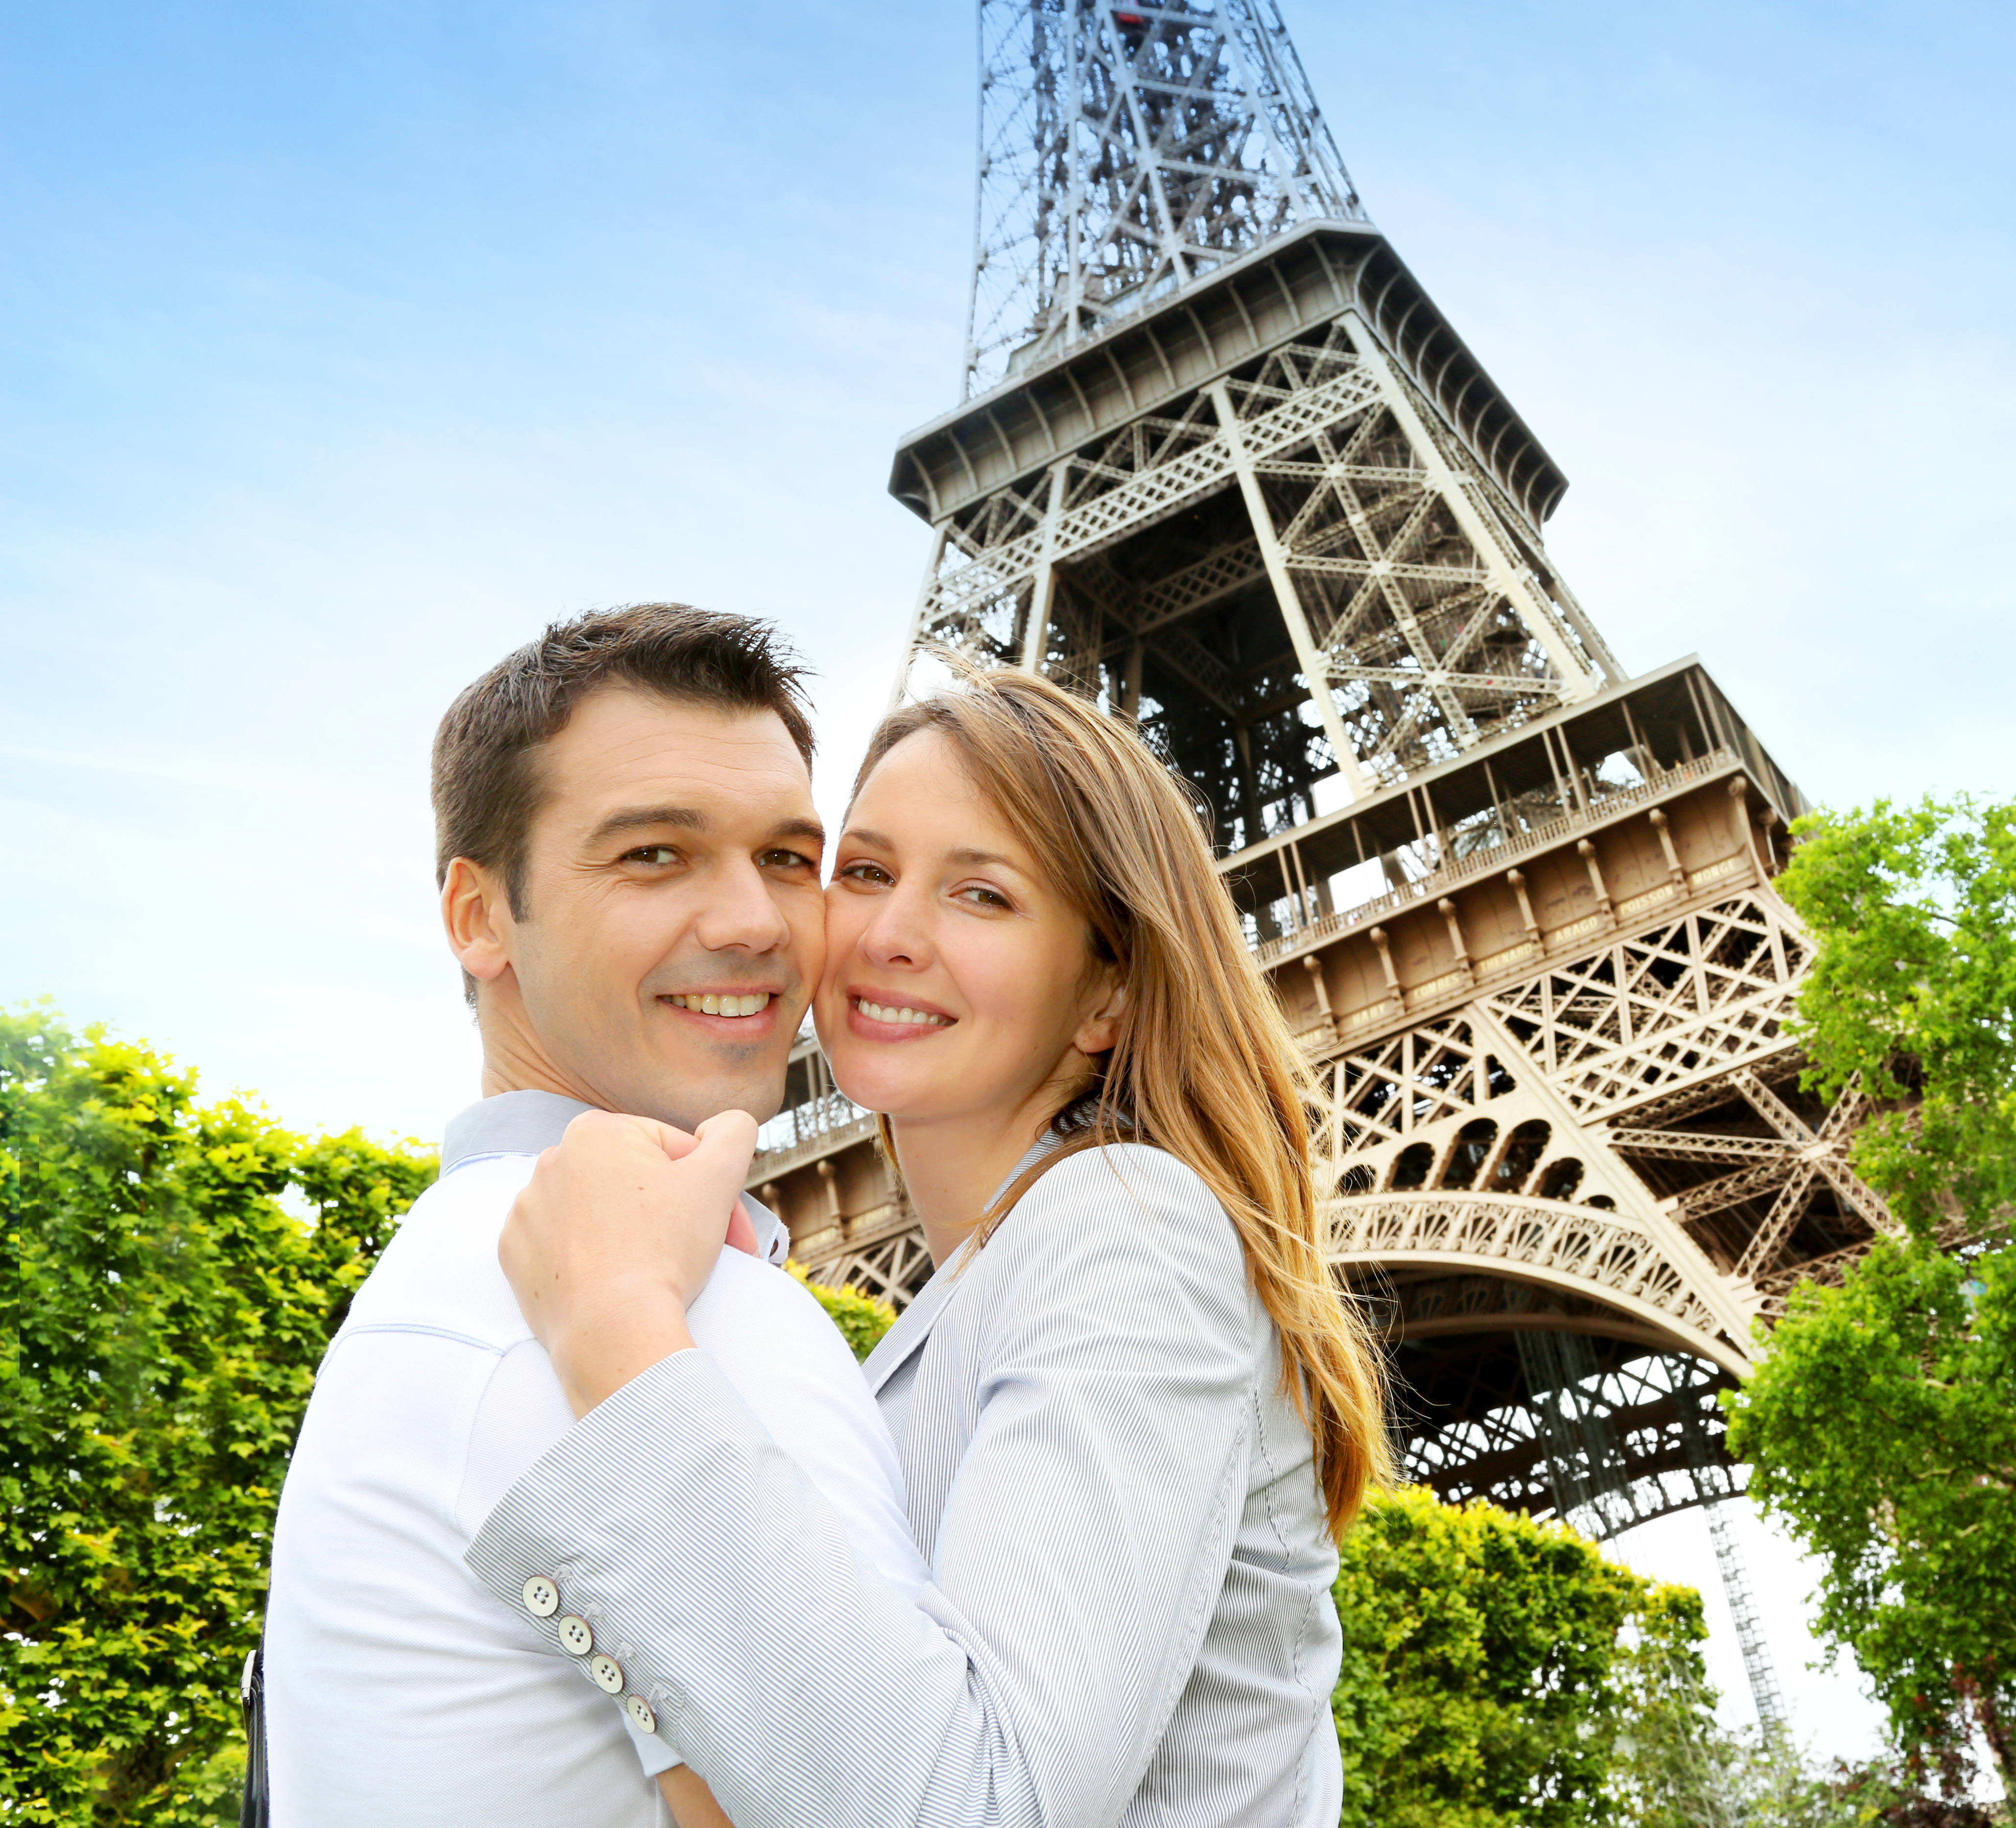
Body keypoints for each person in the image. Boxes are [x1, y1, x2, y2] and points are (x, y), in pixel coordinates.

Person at [467, 664, 1391, 1827]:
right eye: (863, 873)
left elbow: (983, 1808)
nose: (891, 935)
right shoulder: (958, 1308)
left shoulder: (1126, 1223)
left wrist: (616, 1332)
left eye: (984, 896)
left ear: (1106, 993)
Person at [263, 605, 926, 1828]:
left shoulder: (440, 1287)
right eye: (653, 855)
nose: (757, 923)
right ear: (477, 916)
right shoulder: (666, 1313)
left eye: (789, 858)